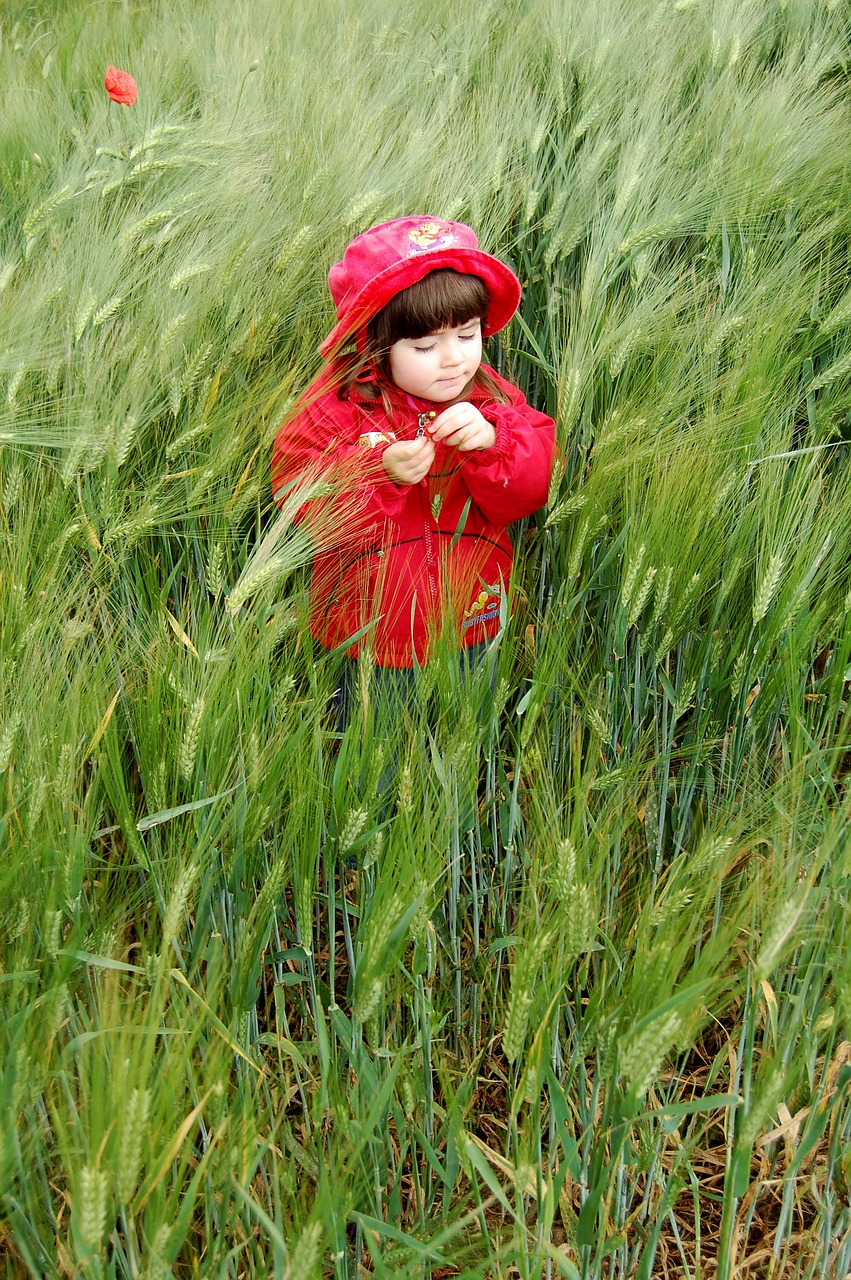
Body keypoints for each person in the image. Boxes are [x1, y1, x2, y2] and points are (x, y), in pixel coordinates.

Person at [270, 215, 555, 726]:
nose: (452, 360)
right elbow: (301, 504)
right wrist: (378, 473)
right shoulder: (336, 411)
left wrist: (495, 443)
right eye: (424, 347)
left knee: (462, 747)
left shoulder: (492, 400)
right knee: (369, 764)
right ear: (376, 342)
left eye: (468, 335)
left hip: (475, 623)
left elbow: (530, 492)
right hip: (368, 637)